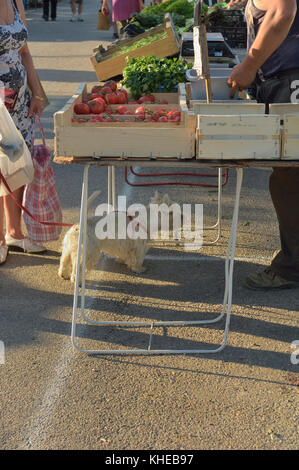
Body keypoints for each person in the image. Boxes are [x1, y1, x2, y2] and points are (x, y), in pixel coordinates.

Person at [227, 0, 299, 289]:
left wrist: (250, 64)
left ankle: (290, 268)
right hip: (286, 82)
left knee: (288, 180)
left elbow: (285, 11)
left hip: (291, 85)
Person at [0, 0, 45, 265]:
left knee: (18, 164)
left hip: (20, 102)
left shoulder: (16, 2)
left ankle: (14, 232)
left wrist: (37, 93)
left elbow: (25, 52)